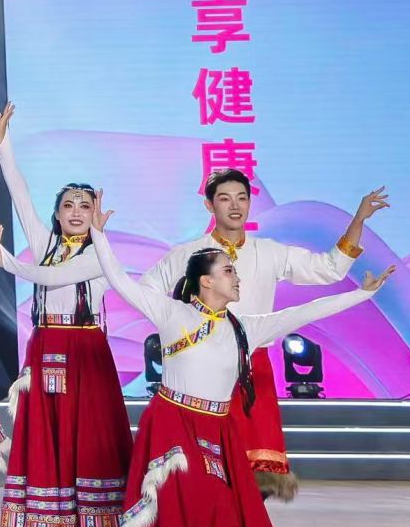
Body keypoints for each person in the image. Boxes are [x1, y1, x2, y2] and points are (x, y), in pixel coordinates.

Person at [90, 195, 392, 527]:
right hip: (173, 422)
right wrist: (99, 236)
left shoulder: (245, 327)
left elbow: (304, 312)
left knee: (221, 500)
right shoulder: (172, 313)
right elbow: (120, 280)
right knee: (179, 497)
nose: (238, 277)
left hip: (218, 427)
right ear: (206, 280)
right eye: (229, 271)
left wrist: (362, 294)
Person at [139, 169, 389, 501]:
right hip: (202, 368)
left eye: (241, 198)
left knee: (257, 468)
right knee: (202, 462)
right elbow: (147, 290)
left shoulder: (269, 251)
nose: (235, 206)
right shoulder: (189, 254)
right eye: (225, 199)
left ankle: (241, 525)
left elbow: (328, 268)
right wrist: (182, 326)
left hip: (252, 366)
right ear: (209, 205)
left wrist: (358, 220)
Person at [0, 104, 132, 527]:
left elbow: (52, 277)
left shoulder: (100, 255)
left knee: (95, 447)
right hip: (46, 350)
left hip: (87, 353)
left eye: (84, 206)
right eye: (68, 205)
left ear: (96, 214)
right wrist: (3, 143)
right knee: (56, 448)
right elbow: (19, 191)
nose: (76, 212)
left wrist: (10, 264)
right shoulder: (45, 243)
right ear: (56, 213)